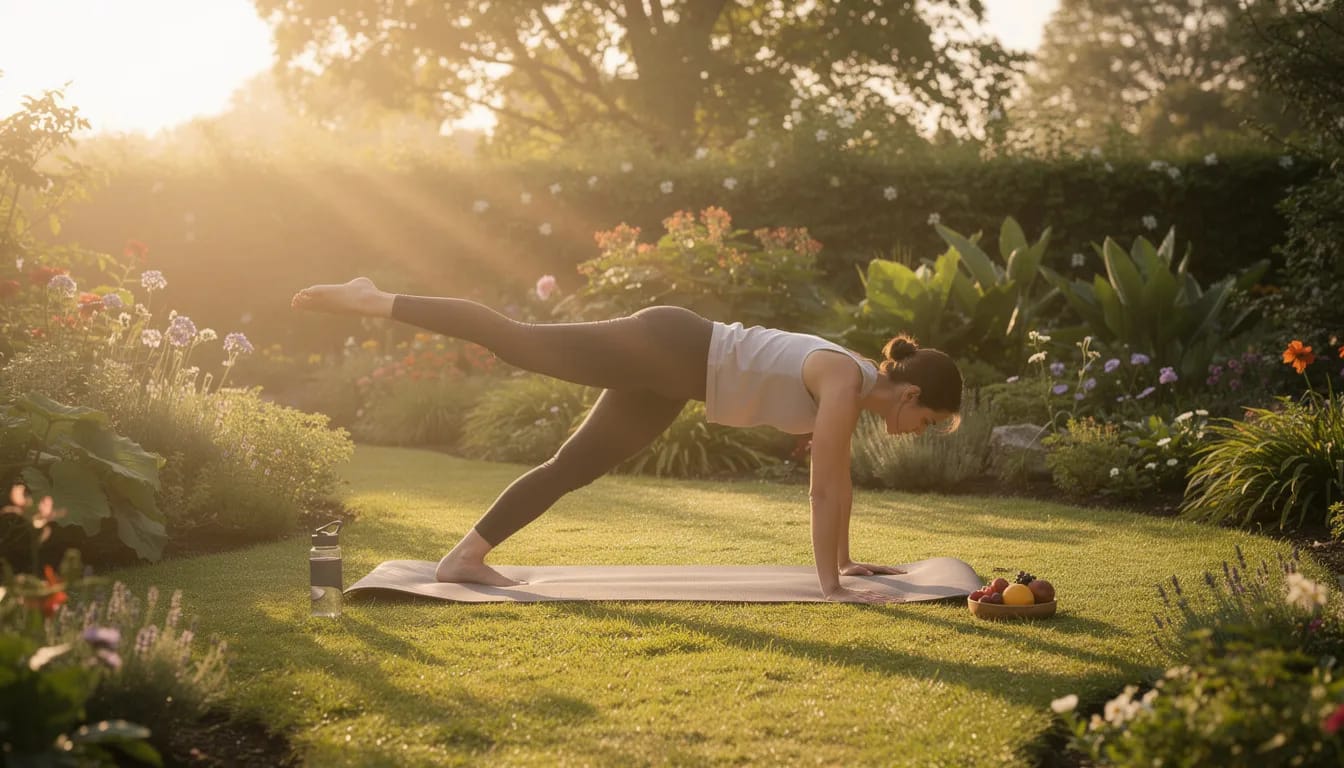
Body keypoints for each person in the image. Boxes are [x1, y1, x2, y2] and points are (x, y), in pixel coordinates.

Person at [291, 277, 962, 604]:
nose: (917, 433)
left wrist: (845, 565)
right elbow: (827, 484)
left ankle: (463, 557)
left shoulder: (847, 383)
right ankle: (375, 298)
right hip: (667, 346)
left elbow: (832, 478)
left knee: (572, 465)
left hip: (673, 377)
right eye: (927, 421)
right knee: (516, 339)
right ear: (909, 395)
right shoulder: (845, 382)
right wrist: (830, 586)